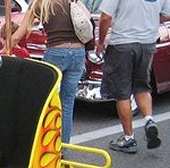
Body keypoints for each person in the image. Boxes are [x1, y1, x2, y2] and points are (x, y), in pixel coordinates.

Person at [11, 0, 90, 146]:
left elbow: (18, 35)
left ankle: (41, 145)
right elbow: (87, 17)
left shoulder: (39, 3)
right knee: (67, 103)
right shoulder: (70, 1)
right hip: (78, 52)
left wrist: (5, 48)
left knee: (43, 99)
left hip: (56, 51)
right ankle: (63, 150)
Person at [95, 0, 170, 154]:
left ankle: (129, 138)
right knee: (142, 86)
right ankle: (149, 120)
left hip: (122, 43)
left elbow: (105, 18)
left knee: (122, 93)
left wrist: (100, 43)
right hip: (147, 43)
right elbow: (167, 14)